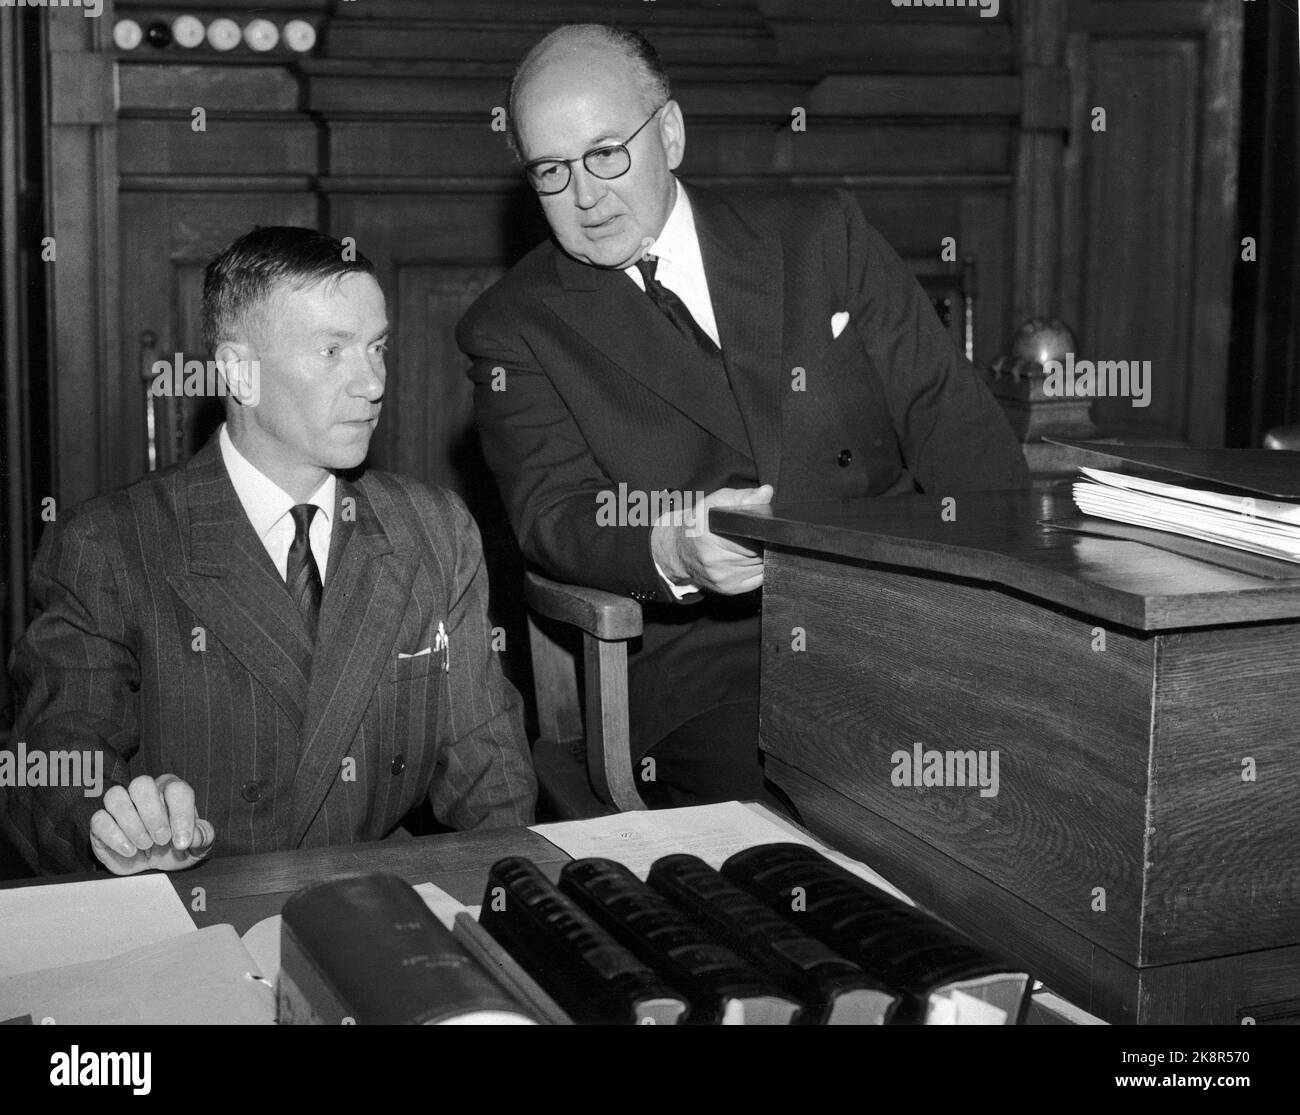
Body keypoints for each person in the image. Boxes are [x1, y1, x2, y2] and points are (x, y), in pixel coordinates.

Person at [458, 24, 1029, 808]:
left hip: (904, 616)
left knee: (1049, 769)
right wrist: (675, 547)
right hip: (713, 666)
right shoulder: (513, 326)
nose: (585, 197)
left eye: (605, 154)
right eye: (552, 172)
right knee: (845, 805)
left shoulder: (821, 233)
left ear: (670, 133)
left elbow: (955, 424)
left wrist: (1017, 617)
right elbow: (554, 516)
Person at [3, 227, 536, 875]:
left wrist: (513, 900)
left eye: (377, 347)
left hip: (379, 905)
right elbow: (58, 753)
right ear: (237, 371)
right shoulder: (111, 545)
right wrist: (111, 823)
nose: (371, 382)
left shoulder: (433, 528)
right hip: (197, 909)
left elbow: (491, 770)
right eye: (332, 350)